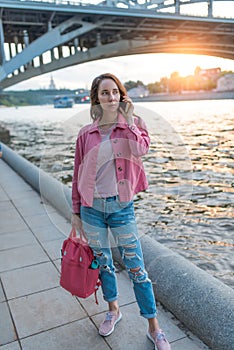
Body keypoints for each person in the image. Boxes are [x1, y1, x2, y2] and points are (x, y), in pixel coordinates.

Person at [71, 73, 171, 350]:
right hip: (92, 210)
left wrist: (127, 120)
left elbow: (141, 150)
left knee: (137, 269)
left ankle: (154, 328)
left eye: (115, 92)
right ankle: (113, 310)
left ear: (122, 95)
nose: (111, 97)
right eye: (105, 93)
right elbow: (77, 172)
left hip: (121, 208)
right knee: (104, 265)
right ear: (97, 98)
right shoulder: (85, 134)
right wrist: (75, 211)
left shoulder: (134, 125)